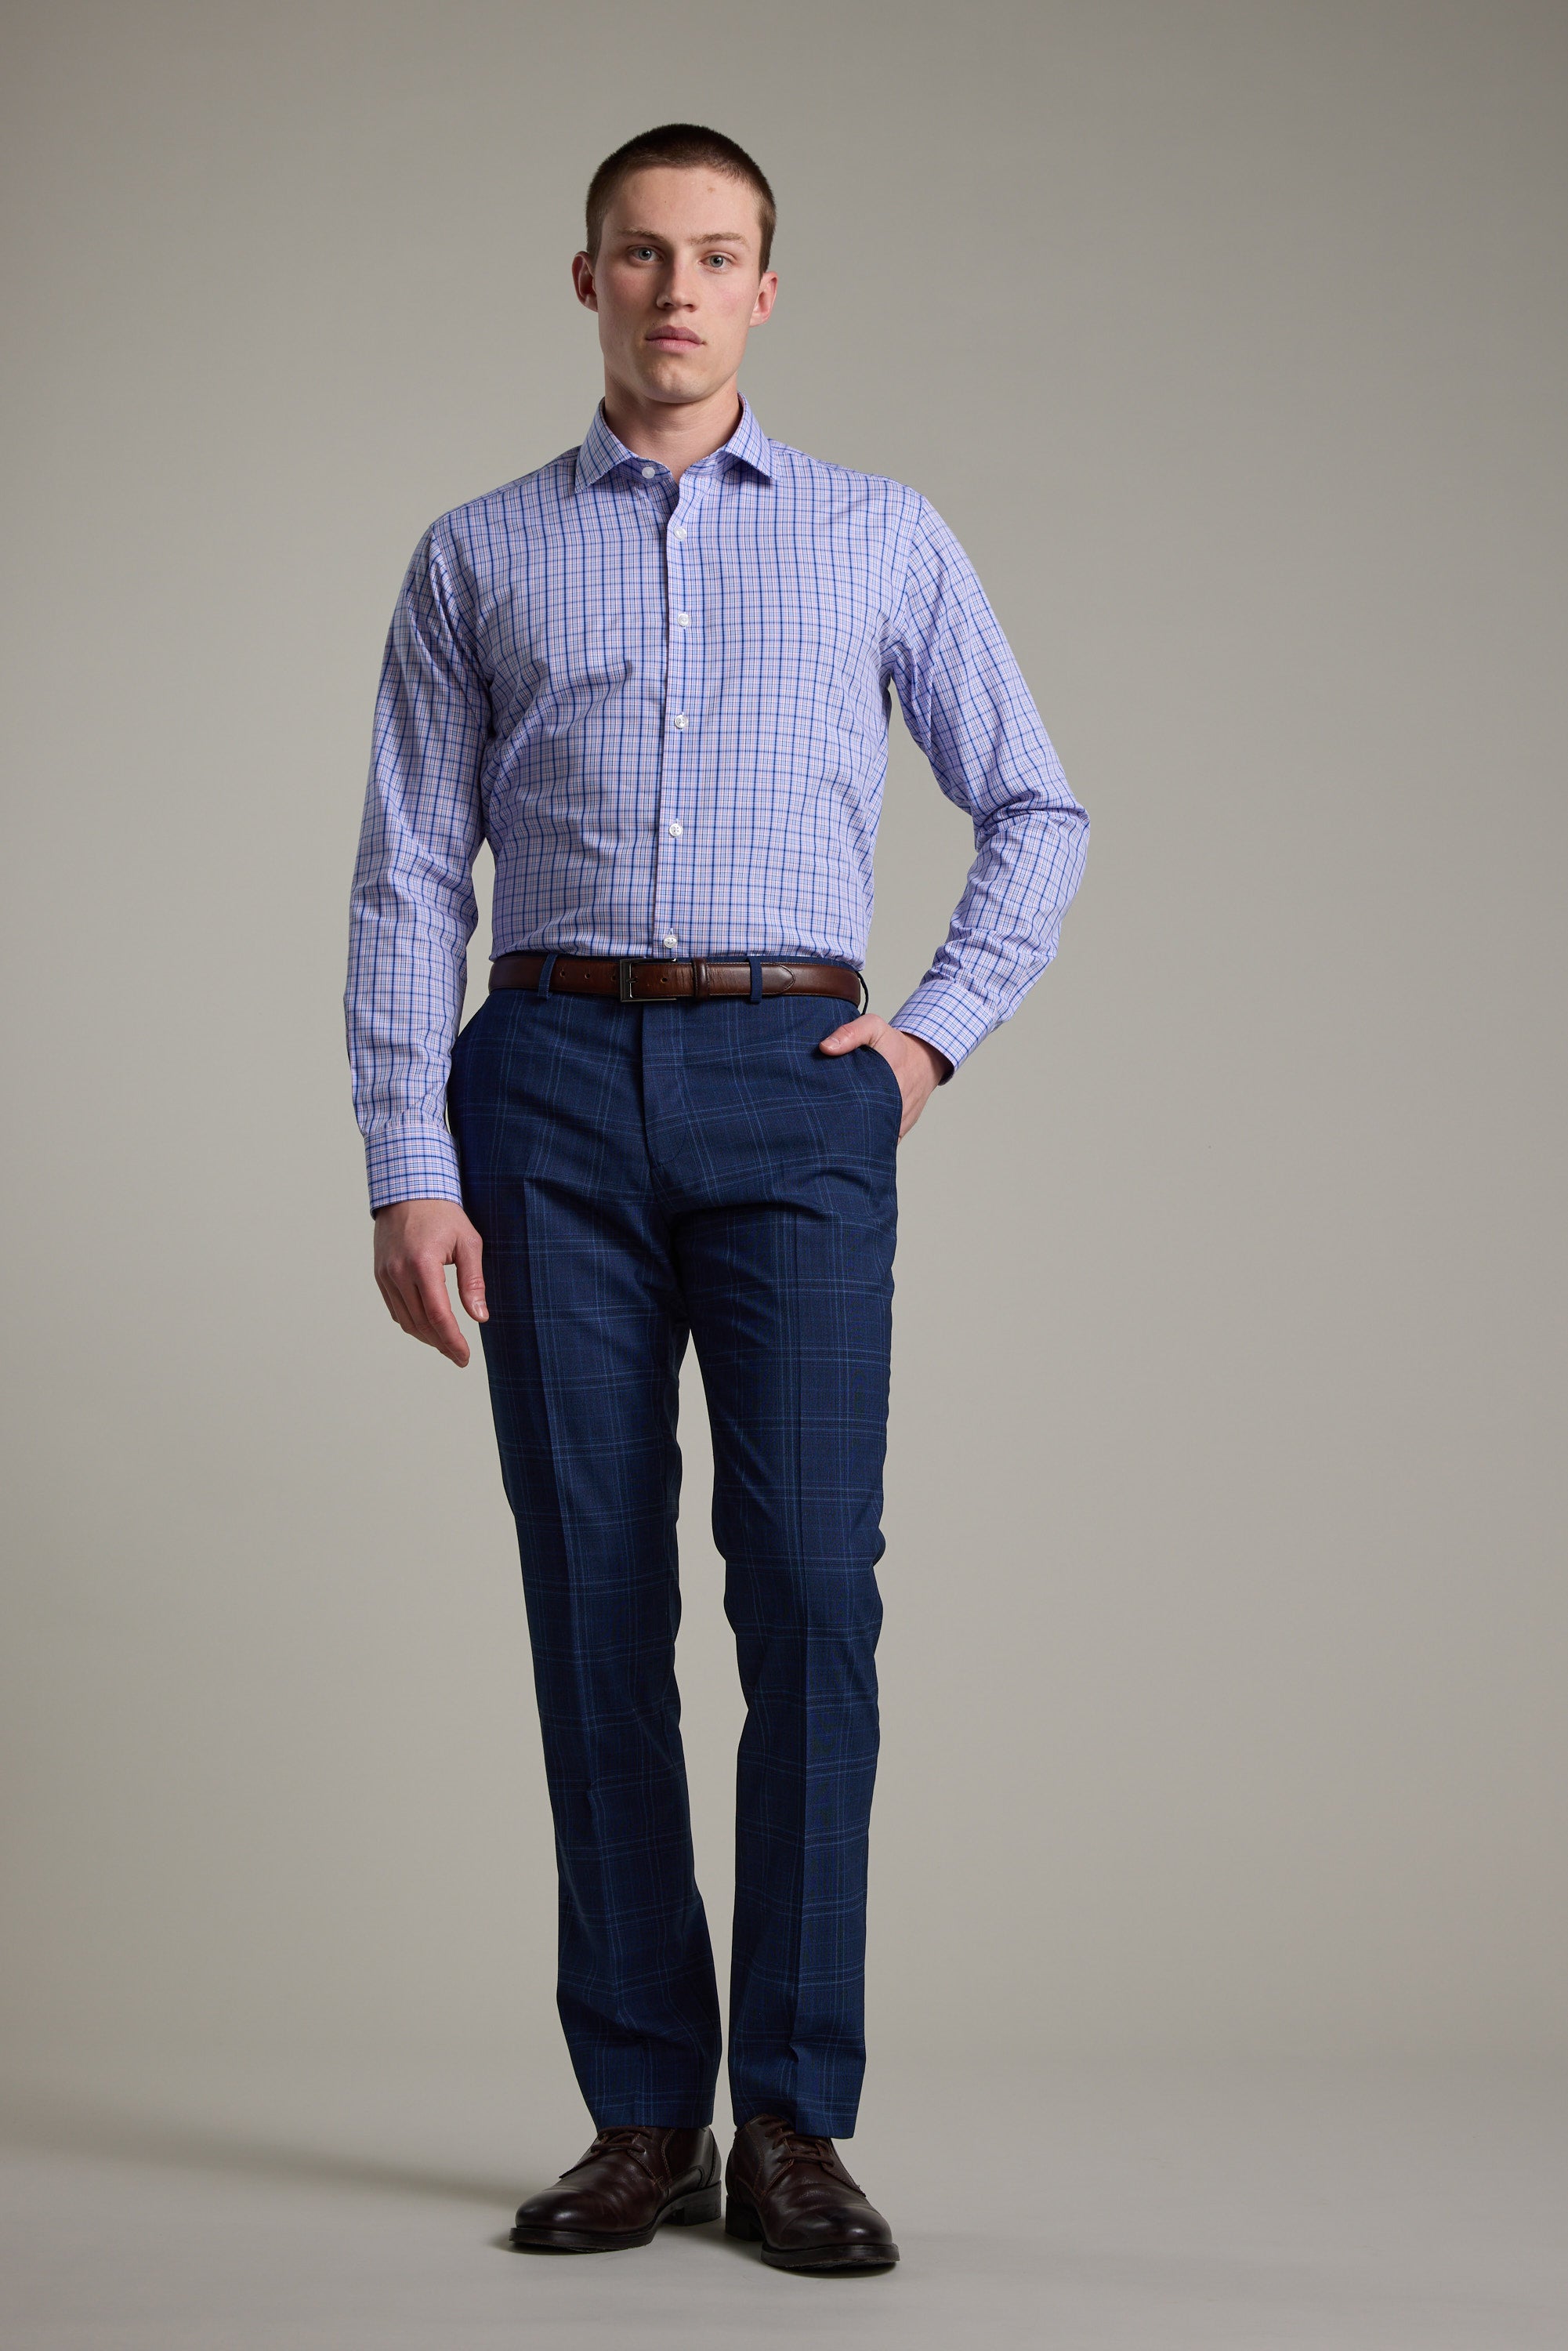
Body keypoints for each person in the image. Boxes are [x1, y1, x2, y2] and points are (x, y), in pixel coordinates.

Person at [345, 120, 1088, 2276]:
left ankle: (792, 2122)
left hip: (793, 1084)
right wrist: (406, 1163)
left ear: (766, 288)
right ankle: (641, 2108)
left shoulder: (878, 535)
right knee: (593, 1600)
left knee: (811, 1595)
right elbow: (408, 875)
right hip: (546, 1091)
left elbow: (1035, 808)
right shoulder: (476, 555)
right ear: (584, 278)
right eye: (642, 253)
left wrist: (927, 1038)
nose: (678, 288)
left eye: (719, 254)